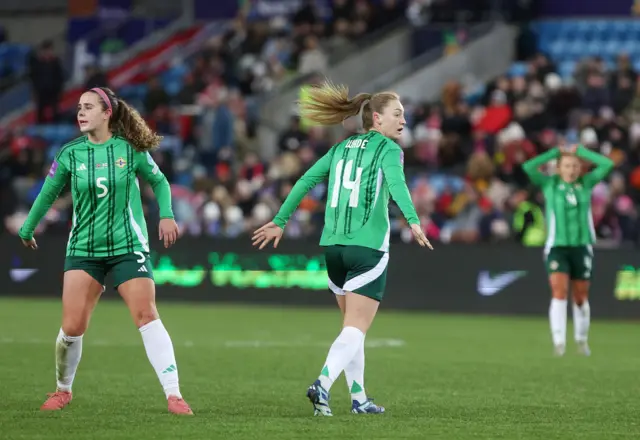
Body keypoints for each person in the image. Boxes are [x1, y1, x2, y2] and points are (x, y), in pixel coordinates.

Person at [252, 81, 433, 416]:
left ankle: (359, 398)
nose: (404, 121)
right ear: (377, 119)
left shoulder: (341, 148)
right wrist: (413, 220)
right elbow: (397, 184)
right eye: (398, 114)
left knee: (352, 327)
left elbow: (305, 180)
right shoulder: (390, 150)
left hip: (333, 248)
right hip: (368, 248)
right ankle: (322, 383)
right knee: (356, 328)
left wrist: (280, 220)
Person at [18, 87, 193, 415]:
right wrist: (28, 226)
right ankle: (63, 390)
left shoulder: (130, 150)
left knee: (147, 314)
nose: (80, 113)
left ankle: (174, 395)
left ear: (106, 113)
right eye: (79, 108)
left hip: (128, 246)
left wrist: (167, 214)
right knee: (72, 327)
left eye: (88, 107)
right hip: (84, 248)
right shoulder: (70, 153)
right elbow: (48, 193)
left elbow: (160, 182)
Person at [522, 144, 614, 357]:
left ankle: (581, 340)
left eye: (575, 166)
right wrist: (555, 152)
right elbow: (528, 167)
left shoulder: (586, 183)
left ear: (580, 168)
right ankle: (559, 343)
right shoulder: (549, 185)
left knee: (581, 296)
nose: (571, 170)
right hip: (557, 246)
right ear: (558, 168)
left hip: (582, 246)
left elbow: (607, 164)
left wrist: (579, 151)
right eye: (566, 166)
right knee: (559, 291)